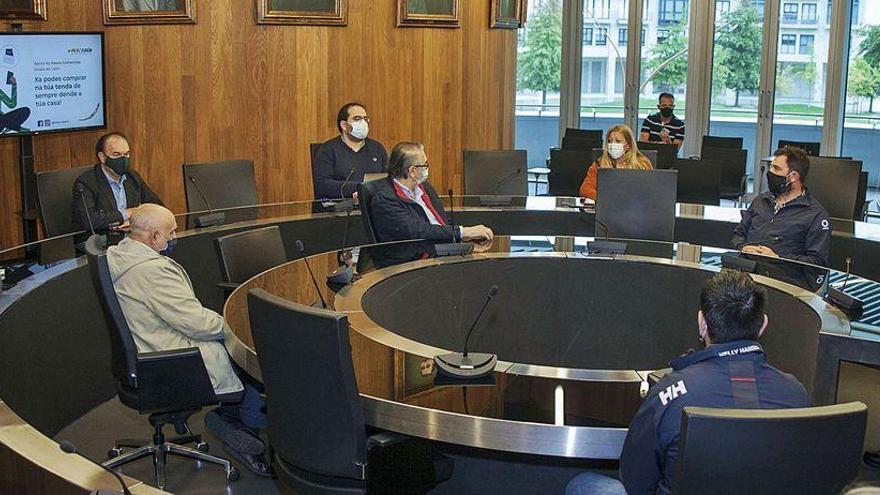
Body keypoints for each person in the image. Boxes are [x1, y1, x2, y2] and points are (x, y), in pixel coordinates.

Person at [566, 270, 810, 495]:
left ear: (702, 323)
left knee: (582, 485)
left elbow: (635, 482)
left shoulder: (669, 393)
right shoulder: (796, 394)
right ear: (763, 325)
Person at [106, 204, 273, 477]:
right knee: (251, 351)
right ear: (153, 237)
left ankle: (229, 418)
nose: (175, 238)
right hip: (174, 359)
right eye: (171, 233)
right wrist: (233, 326)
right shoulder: (151, 271)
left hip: (148, 350)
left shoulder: (120, 255)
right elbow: (195, 323)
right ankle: (246, 429)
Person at [366, 142, 492, 263]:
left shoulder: (424, 188)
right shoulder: (385, 199)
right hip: (411, 260)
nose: (427, 168)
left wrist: (463, 240)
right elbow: (418, 231)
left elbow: (442, 222)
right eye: (425, 165)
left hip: (438, 249)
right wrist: (462, 232)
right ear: (412, 171)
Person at [732, 146, 831, 267]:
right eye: (771, 167)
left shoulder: (815, 214)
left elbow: (817, 262)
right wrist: (743, 247)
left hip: (783, 279)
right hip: (747, 271)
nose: (770, 172)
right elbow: (738, 234)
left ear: (793, 176)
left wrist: (778, 258)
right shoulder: (760, 201)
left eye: (776, 168)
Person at [72, 133, 163, 245]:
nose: (123, 159)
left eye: (126, 154)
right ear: (102, 157)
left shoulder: (132, 177)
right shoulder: (85, 183)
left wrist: (134, 218)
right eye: (117, 154)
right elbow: (90, 220)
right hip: (100, 245)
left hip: (132, 241)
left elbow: (157, 205)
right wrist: (127, 213)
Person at [312, 102, 388, 200]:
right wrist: (360, 188)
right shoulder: (327, 150)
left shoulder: (377, 148)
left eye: (365, 119)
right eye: (357, 119)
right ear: (344, 125)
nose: (363, 123)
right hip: (341, 208)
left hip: (375, 206)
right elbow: (322, 186)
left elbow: (389, 180)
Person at [579, 124, 652, 200]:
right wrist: (605, 199)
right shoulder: (600, 163)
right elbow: (585, 189)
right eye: (610, 141)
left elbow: (650, 191)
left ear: (628, 145)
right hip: (606, 207)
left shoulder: (642, 164)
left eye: (618, 141)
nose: (612, 144)